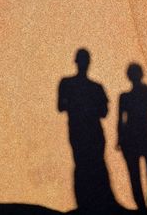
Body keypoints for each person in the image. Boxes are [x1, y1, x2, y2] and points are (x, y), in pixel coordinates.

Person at [58, 48, 116, 213]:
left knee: (86, 165)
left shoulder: (68, 84)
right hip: (85, 131)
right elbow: (103, 112)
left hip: (83, 131)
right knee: (89, 164)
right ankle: (88, 204)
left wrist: (79, 106)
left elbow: (62, 106)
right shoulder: (93, 87)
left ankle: (88, 204)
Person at [117, 63, 147, 213]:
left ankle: (143, 209)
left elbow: (121, 121)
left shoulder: (125, 97)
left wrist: (119, 139)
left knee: (136, 176)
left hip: (133, 139)